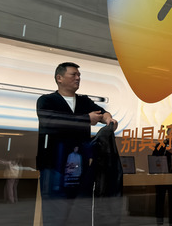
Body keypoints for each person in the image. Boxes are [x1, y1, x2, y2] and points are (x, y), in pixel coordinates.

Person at [37, 62, 117, 226]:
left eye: (79, 75)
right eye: (73, 74)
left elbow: (102, 113)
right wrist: (85, 119)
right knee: (56, 213)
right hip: (55, 167)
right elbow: (52, 121)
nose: (78, 77)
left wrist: (108, 118)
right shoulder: (46, 101)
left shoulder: (84, 101)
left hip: (81, 167)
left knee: (80, 213)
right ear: (59, 78)